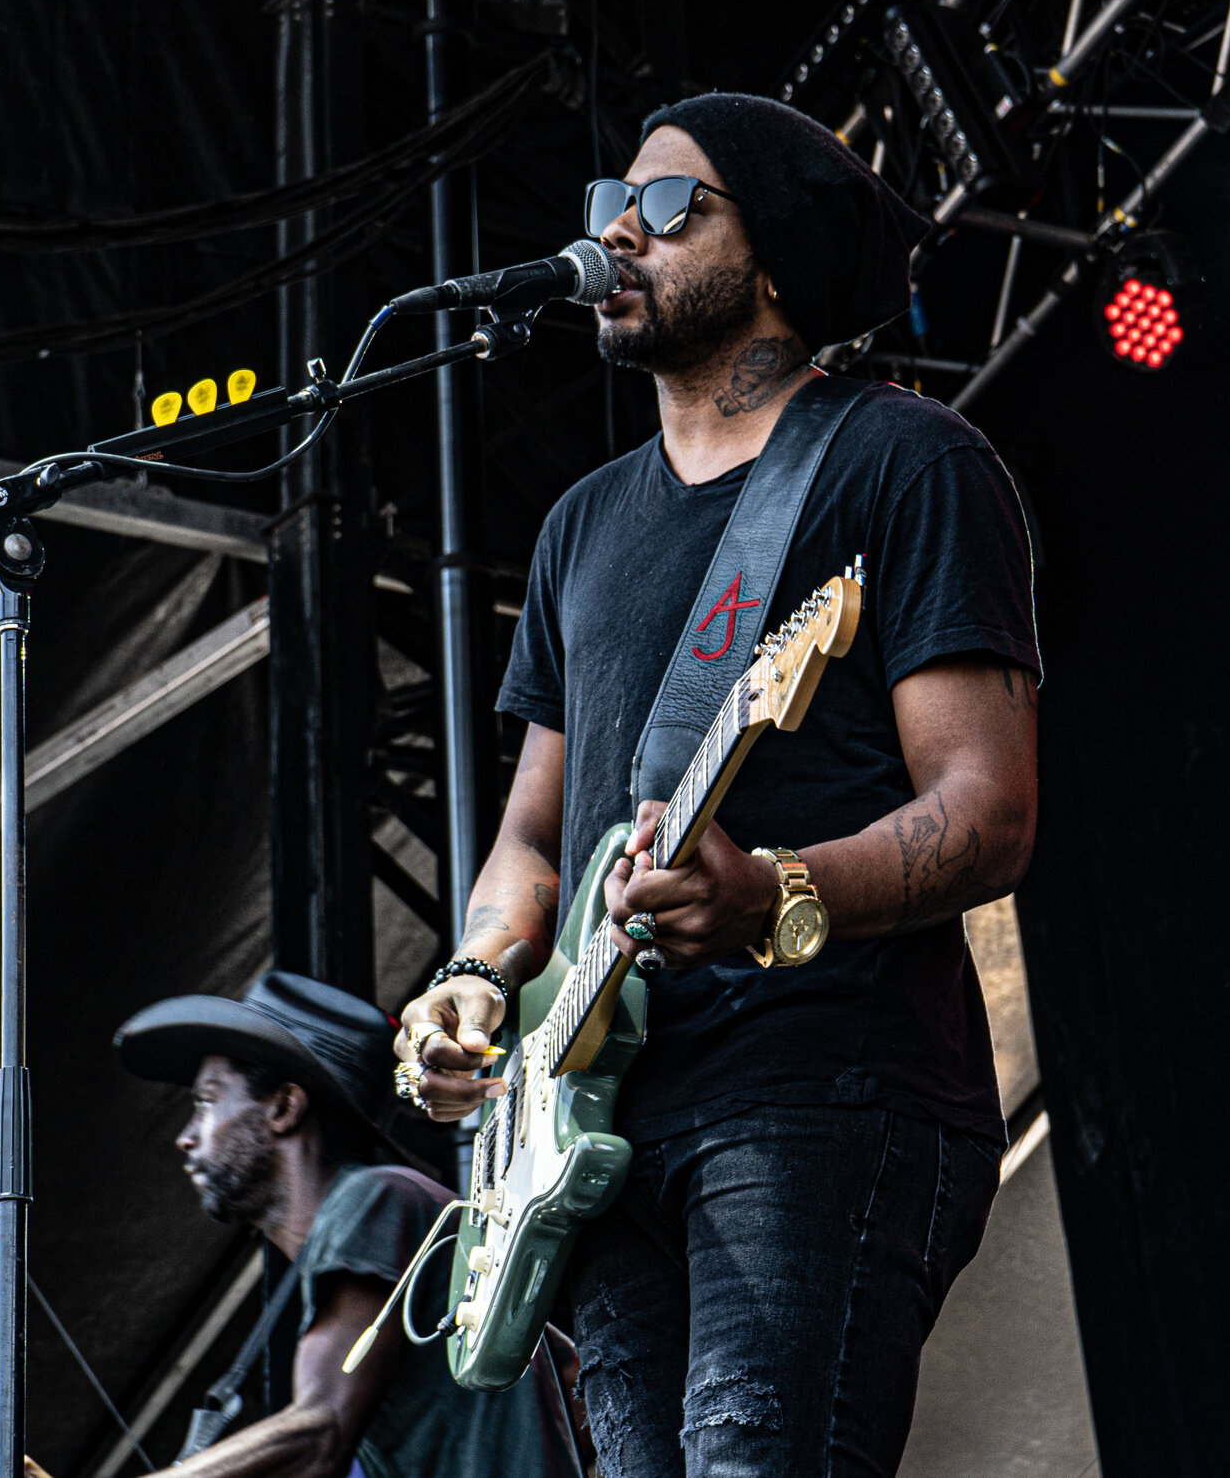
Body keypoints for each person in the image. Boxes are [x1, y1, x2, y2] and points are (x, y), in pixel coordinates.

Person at [394, 92, 1044, 1478]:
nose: (619, 228)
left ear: (774, 259)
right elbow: (531, 831)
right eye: (607, 202)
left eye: (673, 204)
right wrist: (477, 969)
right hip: (599, 1115)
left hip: (819, 1078)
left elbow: (987, 810)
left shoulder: (901, 459)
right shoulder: (582, 524)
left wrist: (773, 892)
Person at [91, 970, 585, 1478]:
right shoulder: (384, 1215)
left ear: (284, 1107)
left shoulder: (376, 1199)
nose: (186, 1138)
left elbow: (318, 1435)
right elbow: (572, 1373)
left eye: (207, 1101)